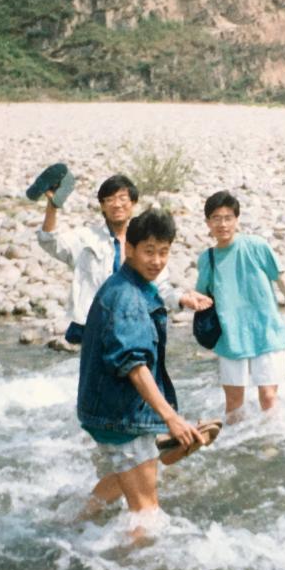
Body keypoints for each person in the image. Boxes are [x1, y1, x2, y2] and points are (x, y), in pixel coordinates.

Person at [77, 209, 208, 518]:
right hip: (122, 418)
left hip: (105, 412)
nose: (157, 260)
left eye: (164, 252)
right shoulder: (128, 298)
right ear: (130, 249)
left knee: (124, 476)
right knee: (147, 513)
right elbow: (134, 366)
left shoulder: (129, 285)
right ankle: (128, 552)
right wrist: (172, 419)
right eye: (149, 251)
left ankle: (73, 524)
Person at [34, 171, 209, 346]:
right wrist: (52, 206)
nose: (117, 204)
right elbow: (49, 241)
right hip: (95, 330)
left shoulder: (145, 243)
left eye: (122, 198)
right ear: (102, 206)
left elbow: (160, 288)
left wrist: (182, 298)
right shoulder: (86, 238)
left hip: (135, 327)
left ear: (133, 203)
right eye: (109, 200)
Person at [195, 190, 285, 423]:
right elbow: (201, 297)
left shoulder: (257, 246)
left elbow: (282, 282)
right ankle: (236, 443)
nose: (223, 224)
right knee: (234, 404)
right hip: (230, 339)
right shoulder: (207, 259)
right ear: (208, 223)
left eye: (228, 218)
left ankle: (271, 442)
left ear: (237, 219)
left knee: (268, 397)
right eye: (216, 218)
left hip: (267, 332)